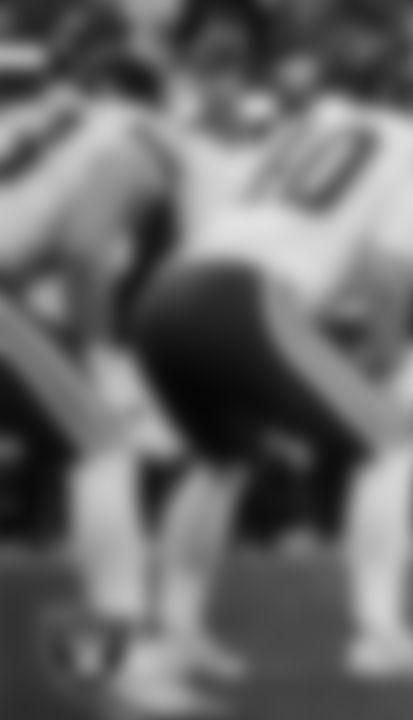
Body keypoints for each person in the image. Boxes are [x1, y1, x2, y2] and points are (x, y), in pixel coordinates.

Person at [130, 43, 413, 712]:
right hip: (240, 299)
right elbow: (390, 268)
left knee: (221, 459)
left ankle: (173, 634)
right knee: (396, 443)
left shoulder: (310, 126)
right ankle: (381, 634)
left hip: (166, 295)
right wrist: (385, 358)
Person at [0, 41, 202, 715]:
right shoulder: (142, 133)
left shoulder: (45, 118)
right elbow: (89, 243)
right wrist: (99, 353)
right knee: (105, 444)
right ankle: (125, 659)